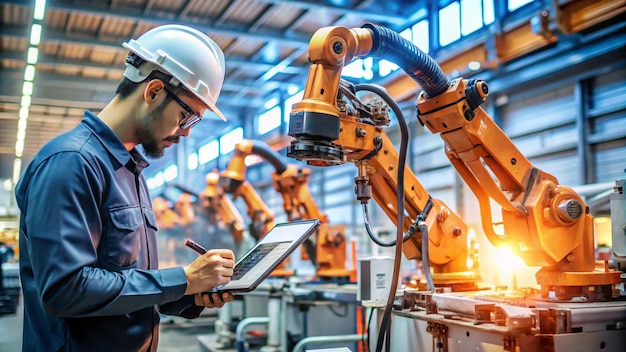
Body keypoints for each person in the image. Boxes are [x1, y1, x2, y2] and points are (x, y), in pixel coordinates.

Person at [15, 24, 236, 352]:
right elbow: (66, 290)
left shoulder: (130, 171)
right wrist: (183, 279)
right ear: (154, 91)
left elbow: (123, 285)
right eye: (187, 116)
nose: (186, 132)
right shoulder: (71, 162)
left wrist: (188, 294)